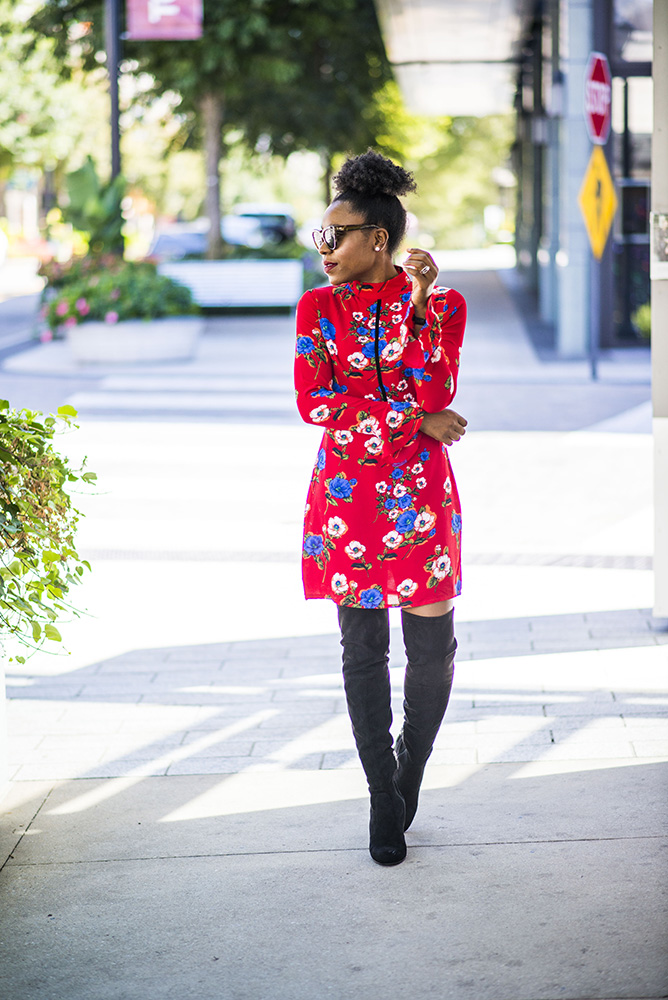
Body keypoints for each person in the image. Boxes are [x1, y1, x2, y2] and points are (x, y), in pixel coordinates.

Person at [294, 150, 467, 866]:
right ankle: (379, 800)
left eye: (335, 235)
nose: (324, 248)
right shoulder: (317, 309)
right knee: (362, 650)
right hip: (348, 501)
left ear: (378, 238)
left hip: (421, 501)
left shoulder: (443, 306)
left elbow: (438, 392)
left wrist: (420, 309)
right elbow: (315, 403)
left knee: (431, 651)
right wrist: (411, 422)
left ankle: (407, 776)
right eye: (320, 235)